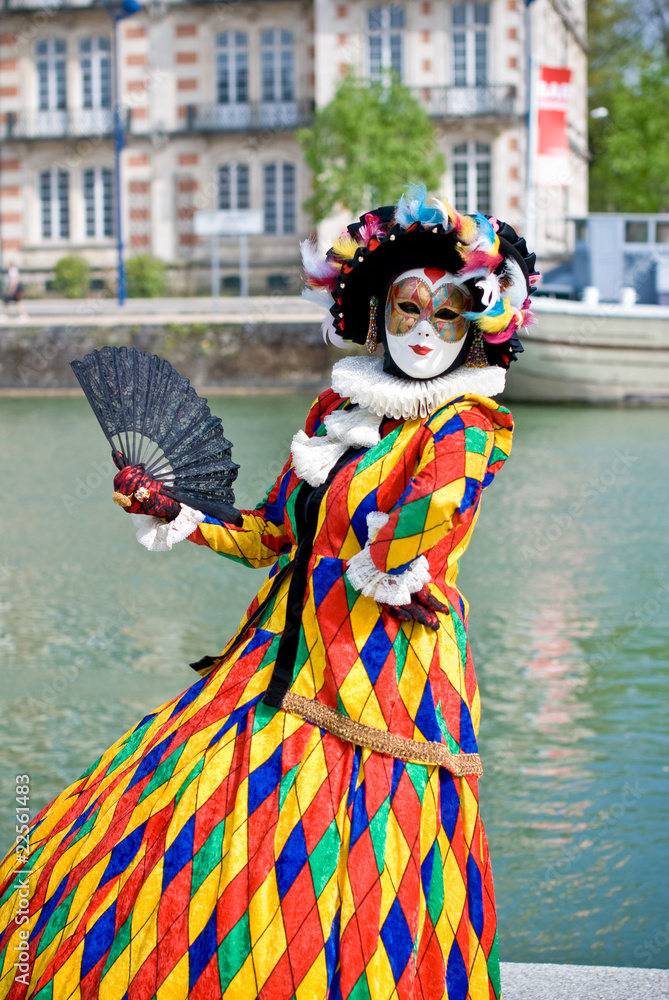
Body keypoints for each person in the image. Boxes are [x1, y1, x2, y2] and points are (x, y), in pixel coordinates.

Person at [0, 186, 538, 1000]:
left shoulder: (465, 425)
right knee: (194, 824)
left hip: (380, 684)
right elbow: (271, 538)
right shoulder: (339, 411)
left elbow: (429, 523)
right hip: (274, 665)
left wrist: (386, 558)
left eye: (448, 315)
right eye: (407, 309)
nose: (424, 330)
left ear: (474, 329)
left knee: (360, 865)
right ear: (374, 315)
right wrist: (176, 509)